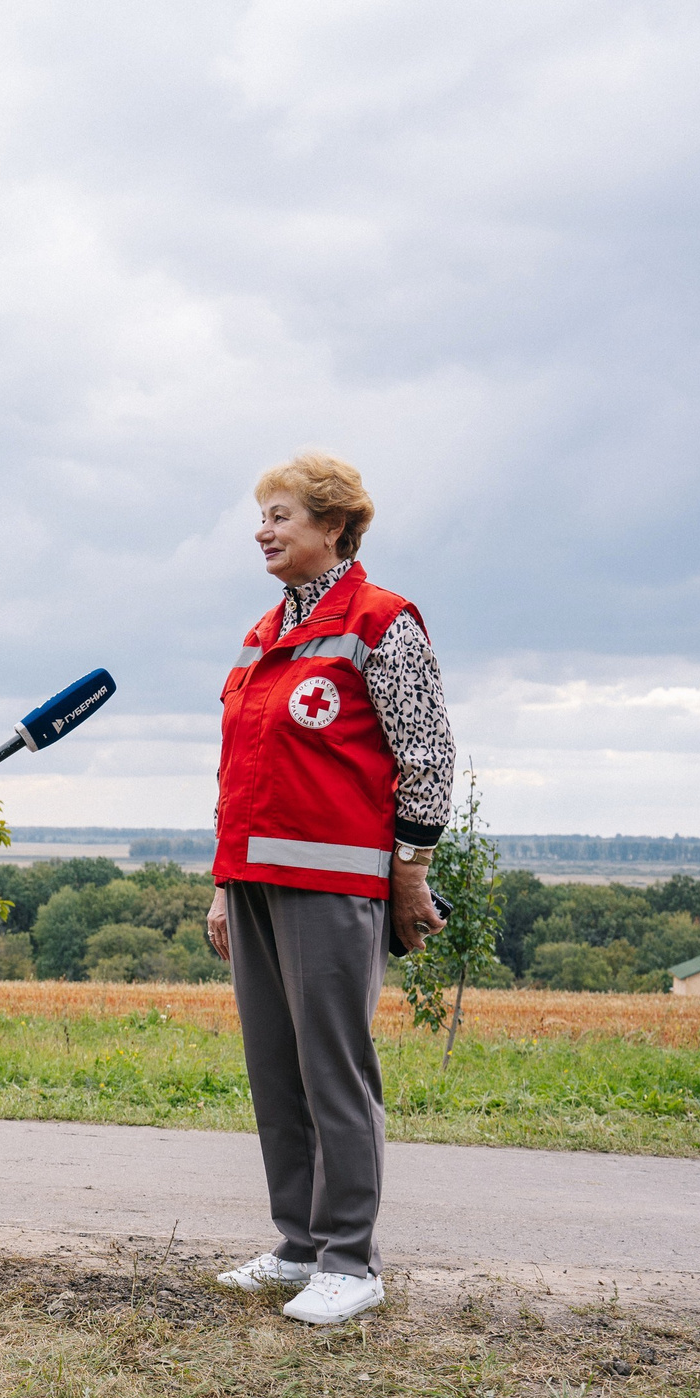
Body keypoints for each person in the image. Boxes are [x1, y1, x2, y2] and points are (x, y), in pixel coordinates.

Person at [202, 452, 454, 1327]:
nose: (263, 530)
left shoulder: (383, 623)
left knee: (331, 1072)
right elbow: (245, 767)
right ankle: (298, 1246)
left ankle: (352, 1259)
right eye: (261, 515)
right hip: (254, 882)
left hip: (335, 886)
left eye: (281, 516)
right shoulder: (262, 634)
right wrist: (222, 882)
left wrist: (412, 870)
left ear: (336, 526)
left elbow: (426, 756)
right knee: (276, 1073)